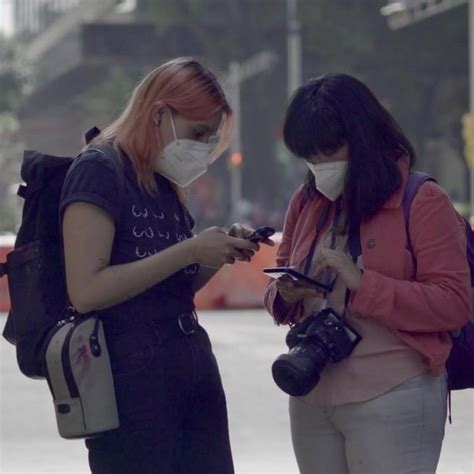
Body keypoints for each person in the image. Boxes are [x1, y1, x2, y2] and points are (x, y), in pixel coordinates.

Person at [60, 57, 272, 474]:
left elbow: (168, 287)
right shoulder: (99, 170)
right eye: (197, 134)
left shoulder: (162, 181)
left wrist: (215, 254)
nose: (203, 149)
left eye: (210, 139)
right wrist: (189, 251)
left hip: (189, 360)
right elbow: (86, 291)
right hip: (130, 377)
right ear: (159, 114)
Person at [264, 73, 471, 474]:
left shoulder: (422, 200)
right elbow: (279, 284)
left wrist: (363, 283)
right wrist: (285, 294)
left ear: (363, 136)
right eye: (309, 154)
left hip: (394, 393)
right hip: (311, 392)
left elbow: (454, 304)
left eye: (328, 150)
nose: (319, 165)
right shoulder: (307, 201)